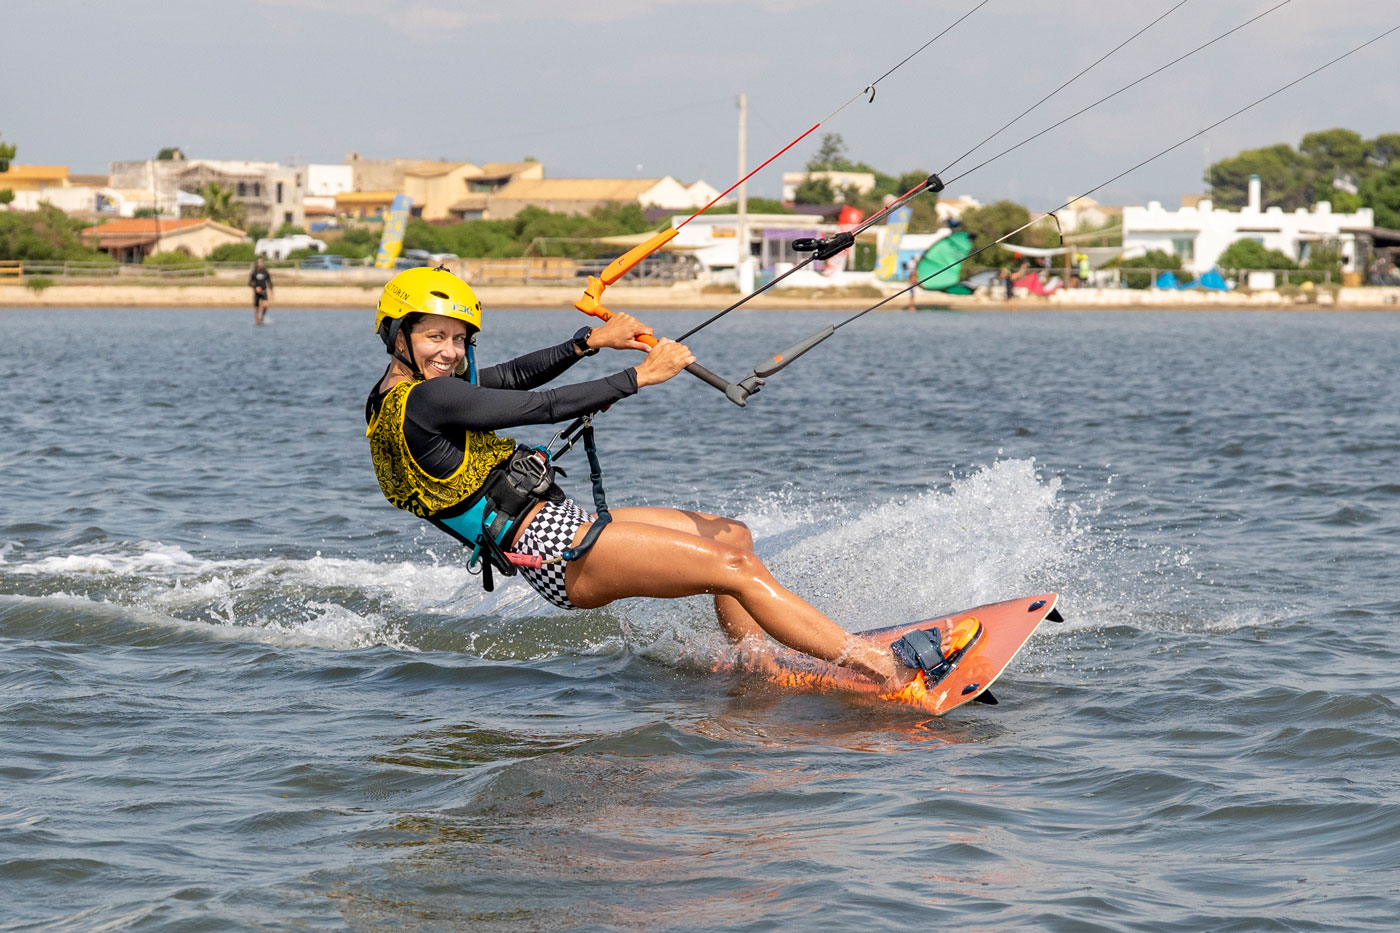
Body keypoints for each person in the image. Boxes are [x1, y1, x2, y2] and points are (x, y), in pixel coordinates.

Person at [364, 267, 927, 690]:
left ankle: (757, 665)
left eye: (459, 339)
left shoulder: (390, 397)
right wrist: (637, 376)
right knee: (737, 569)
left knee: (729, 537)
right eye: (435, 337)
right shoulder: (429, 399)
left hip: (557, 527)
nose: (450, 351)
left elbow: (506, 377)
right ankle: (884, 667)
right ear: (398, 334)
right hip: (552, 550)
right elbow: (537, 406)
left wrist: (586, 343)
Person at [249, 258, 273, 325]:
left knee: (265, 306)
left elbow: (269, 282)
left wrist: (272, 292)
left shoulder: (266, 272)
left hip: (264, 291)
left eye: (261, 262)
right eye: (258, 262)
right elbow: (250, 283)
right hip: (256, 292)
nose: (260, 264)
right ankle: (257, 318)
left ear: (263, 263)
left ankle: (262, 317)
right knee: (256, 307)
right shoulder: (254, 272)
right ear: (256, 263)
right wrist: (255, 288)